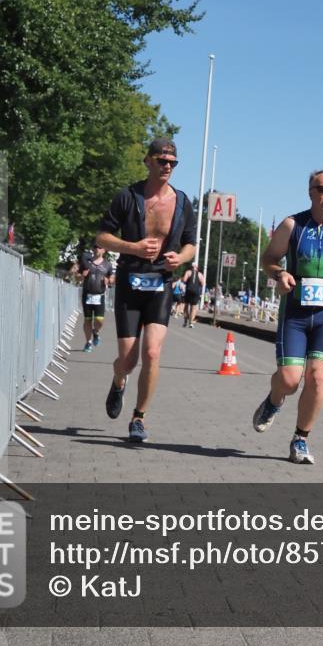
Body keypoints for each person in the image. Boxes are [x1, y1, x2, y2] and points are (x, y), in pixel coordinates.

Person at [252, 169, 323, 464]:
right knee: (289, 381)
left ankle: (300, 439)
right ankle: (274, 401)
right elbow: (268, 259)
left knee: (316, 378)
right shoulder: (291, 225)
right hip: (296, 314)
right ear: (311, 191)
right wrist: (280, 273)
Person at [95, 137, 197, 443]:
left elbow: (192, 244)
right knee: (128, 361)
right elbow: (102, 237)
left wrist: (180, 257)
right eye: (162, 161)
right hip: (130, 281)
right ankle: (118, 381)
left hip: (161, 283)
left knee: (152, 352)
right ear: (148, 161)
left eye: (172, 163)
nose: (167, 167)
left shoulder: (182, 202)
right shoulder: (127, 196)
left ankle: (138, 417)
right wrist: (133, 248)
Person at [81, 245, 114, 352]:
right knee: (87, 320)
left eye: (100, 247)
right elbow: (76, 276)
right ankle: (88, 342)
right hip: (87, 295)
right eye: (95, 247)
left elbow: (112, 278)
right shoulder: (86, 262)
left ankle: (95, 332)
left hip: (99, 296)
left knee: (99, 320)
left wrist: (108, 281)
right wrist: (82, 275)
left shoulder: (107, 264)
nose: (97, 249)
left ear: (104, 250)